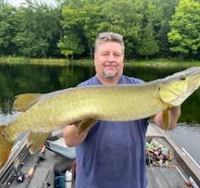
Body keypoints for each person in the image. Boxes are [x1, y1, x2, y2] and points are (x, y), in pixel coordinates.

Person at [63, 32, 181, 188]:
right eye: (105, 54)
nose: (111, 59)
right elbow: (70, 140)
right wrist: (88, 120)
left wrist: (175, 102)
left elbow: (166, 125)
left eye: (116, 55)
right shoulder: (81, 91)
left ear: (122, 60)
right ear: (95, 59)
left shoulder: (140, 87)